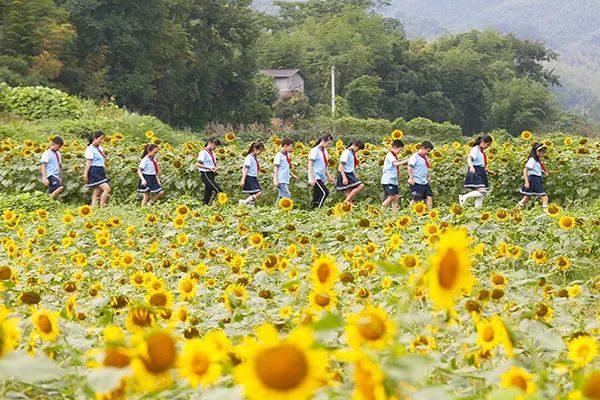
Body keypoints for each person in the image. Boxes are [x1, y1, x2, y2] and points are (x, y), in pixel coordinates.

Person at [459, 135, 496, 208]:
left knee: (481, 195)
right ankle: (464, 197)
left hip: (481, 171)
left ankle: (477, 210)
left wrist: (489, 171)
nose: (487, 147)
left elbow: (482, 165)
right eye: (488, 144)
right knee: (483, 192)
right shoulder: (475, 149)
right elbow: (469, 158)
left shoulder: (481, 151)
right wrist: (471, 167)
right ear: (482, 142)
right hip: (476, 172)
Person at [518, 142, 549, 211]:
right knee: (545, 197)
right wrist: (526, 182)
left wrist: (542, 171)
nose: (543, 154)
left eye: (544, 152)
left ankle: (516, 210)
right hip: (534, 180)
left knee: (527, 197)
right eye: (542, 152)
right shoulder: (532, 160)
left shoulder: (536, 160)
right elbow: (525, 170)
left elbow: (534, 169)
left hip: (535, 179)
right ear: (537, 151)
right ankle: (546, 213)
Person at [84, 131, 111, 207]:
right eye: (100, 139)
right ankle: (101, 206)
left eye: (103, 139)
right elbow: (88, 162)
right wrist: (85, 174)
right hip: (94, 170)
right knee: (107, 189)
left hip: (100, 170)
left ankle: (93, 207)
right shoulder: (89, 149)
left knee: (97, 190)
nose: (102, 141)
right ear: (94, 138)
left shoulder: (100, 148)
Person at [308, 134, 335, 209]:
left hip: (321, 176)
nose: (328, 146)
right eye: (328, 143)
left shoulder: (325, 151)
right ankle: (318, 209)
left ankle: (312, 211)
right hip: (315, 175)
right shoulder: (314, 150)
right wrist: (311, 178)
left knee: (317, 195)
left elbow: (325, 166)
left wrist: (329, 177)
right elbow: (310, 165)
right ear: (323, 141)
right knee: (325, 192)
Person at [381, 139, 408, 210]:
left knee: (396, 197)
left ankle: (394, 214)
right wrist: (407, 160)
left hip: (393, 180)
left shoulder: (394, 155)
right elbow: (395, 163)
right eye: (400, 149)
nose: (400, 151)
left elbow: (397, 163)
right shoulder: (390, 155)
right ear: (394, 147)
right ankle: (380, 210)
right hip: (388, 179)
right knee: (391, 197)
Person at [336, 140, 365, 205]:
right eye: (358, 148)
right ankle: (346, 201)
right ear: (354, 145)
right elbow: (341, 165)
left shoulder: (351, 153)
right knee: (360, 186)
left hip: (349, 174)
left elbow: (352, 167)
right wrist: (344, 177)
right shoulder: (346, 152)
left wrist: (355, 175)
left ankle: (348, 205)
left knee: (349, 192)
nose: (358, 150)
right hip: (345, 173)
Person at [196, 137, 223, 205]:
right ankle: (214, 206)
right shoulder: (203, 152)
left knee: (208, 192)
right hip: (205, 174)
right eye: (215, 145)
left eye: (217, 146)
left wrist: (216, 167)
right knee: (219, 191)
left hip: (211, 174)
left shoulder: (213, 153)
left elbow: (215, 163)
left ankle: (204, 206)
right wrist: (208, 168)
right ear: (210, 143)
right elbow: (198, 164)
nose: (215, 147)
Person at [407, 140, 434, 208]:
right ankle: (408, 211)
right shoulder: (414, 157)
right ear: (422, 148)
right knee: (416, 198)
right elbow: (409, 167)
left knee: (429, 196)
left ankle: (430, 211)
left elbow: (427, 168)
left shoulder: (425, 157)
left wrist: (429, 177)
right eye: (427, 151)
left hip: (424, 181)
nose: (427, 153)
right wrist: (411, 177)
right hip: (416, 181)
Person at [273, 138, 299, 203]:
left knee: (281, 196)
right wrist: (276, 180)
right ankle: (282, 209)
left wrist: (293, 176)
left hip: (285, 179)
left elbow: (286, 168)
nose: (292, 148)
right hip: (281, 179)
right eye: (291, 146)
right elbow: (276, 168)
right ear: (285, 146)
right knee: (287, 195)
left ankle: (275, 209)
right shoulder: (279, 155)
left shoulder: (287, 155)